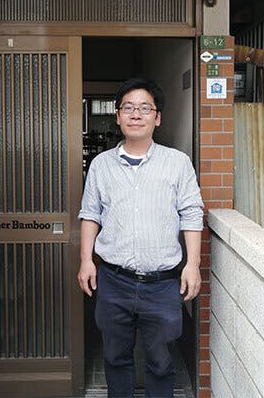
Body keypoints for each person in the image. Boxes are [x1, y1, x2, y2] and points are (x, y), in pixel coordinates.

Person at [76, 77, 204, 398]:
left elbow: (191, 214)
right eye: (128, 108)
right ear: (118, 116)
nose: (136, 114)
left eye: (145, 108)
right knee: (115, 359)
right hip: (113, 281)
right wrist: (86, 261)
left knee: (161, 363)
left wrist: (193, 265)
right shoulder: (101, 165)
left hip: (162, 284)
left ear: (157, 118)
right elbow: (91, 214)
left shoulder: (177, 163)